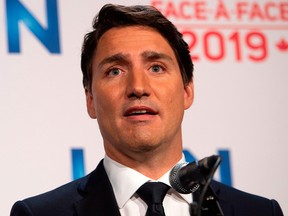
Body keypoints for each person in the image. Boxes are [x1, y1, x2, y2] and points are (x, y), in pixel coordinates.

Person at [10, 4, 283, 216]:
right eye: (115, 71)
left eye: (156, 68)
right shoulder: (38, 213)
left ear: (187, 90)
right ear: (90, 99)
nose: (138, 87)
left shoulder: (259, 211)